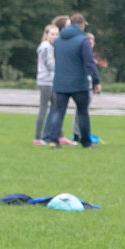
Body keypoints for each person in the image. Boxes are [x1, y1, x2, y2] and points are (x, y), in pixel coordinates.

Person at [43, 13, 100, 148]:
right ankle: (86, 142)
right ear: (81, 25)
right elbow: (89, 62)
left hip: (60, 82)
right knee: (82, 112)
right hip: (79, 83)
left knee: (59, 112)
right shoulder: (83, 41)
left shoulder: (58, 41)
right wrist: (96, 81)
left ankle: (53, 140)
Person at [33, 24, 58, 145]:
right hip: (46, 81)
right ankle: (37, 138)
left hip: (50, 80)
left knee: (57, 107)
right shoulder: (46, 47)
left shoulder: (51, 47)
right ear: (46, 35)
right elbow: (49, 64)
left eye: (56, 34)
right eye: (52, 34)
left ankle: (58, 135)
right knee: (44, 108)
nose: (54, 36)